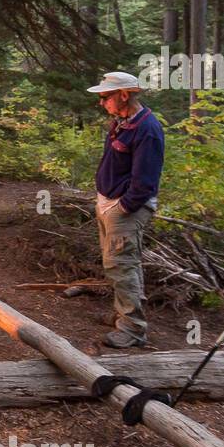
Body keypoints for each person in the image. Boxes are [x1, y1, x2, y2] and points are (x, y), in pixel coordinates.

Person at [87, 70, 165, 348]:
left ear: (124, 95)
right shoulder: (122, 122)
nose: (102, 103)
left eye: (106, 97)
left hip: (124, 209)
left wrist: (122, 207)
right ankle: (125, 316)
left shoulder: (147, 129)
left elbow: (145, 181)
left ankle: (132, 329)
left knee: (122, 266)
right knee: (119, 265)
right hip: (109, 202)